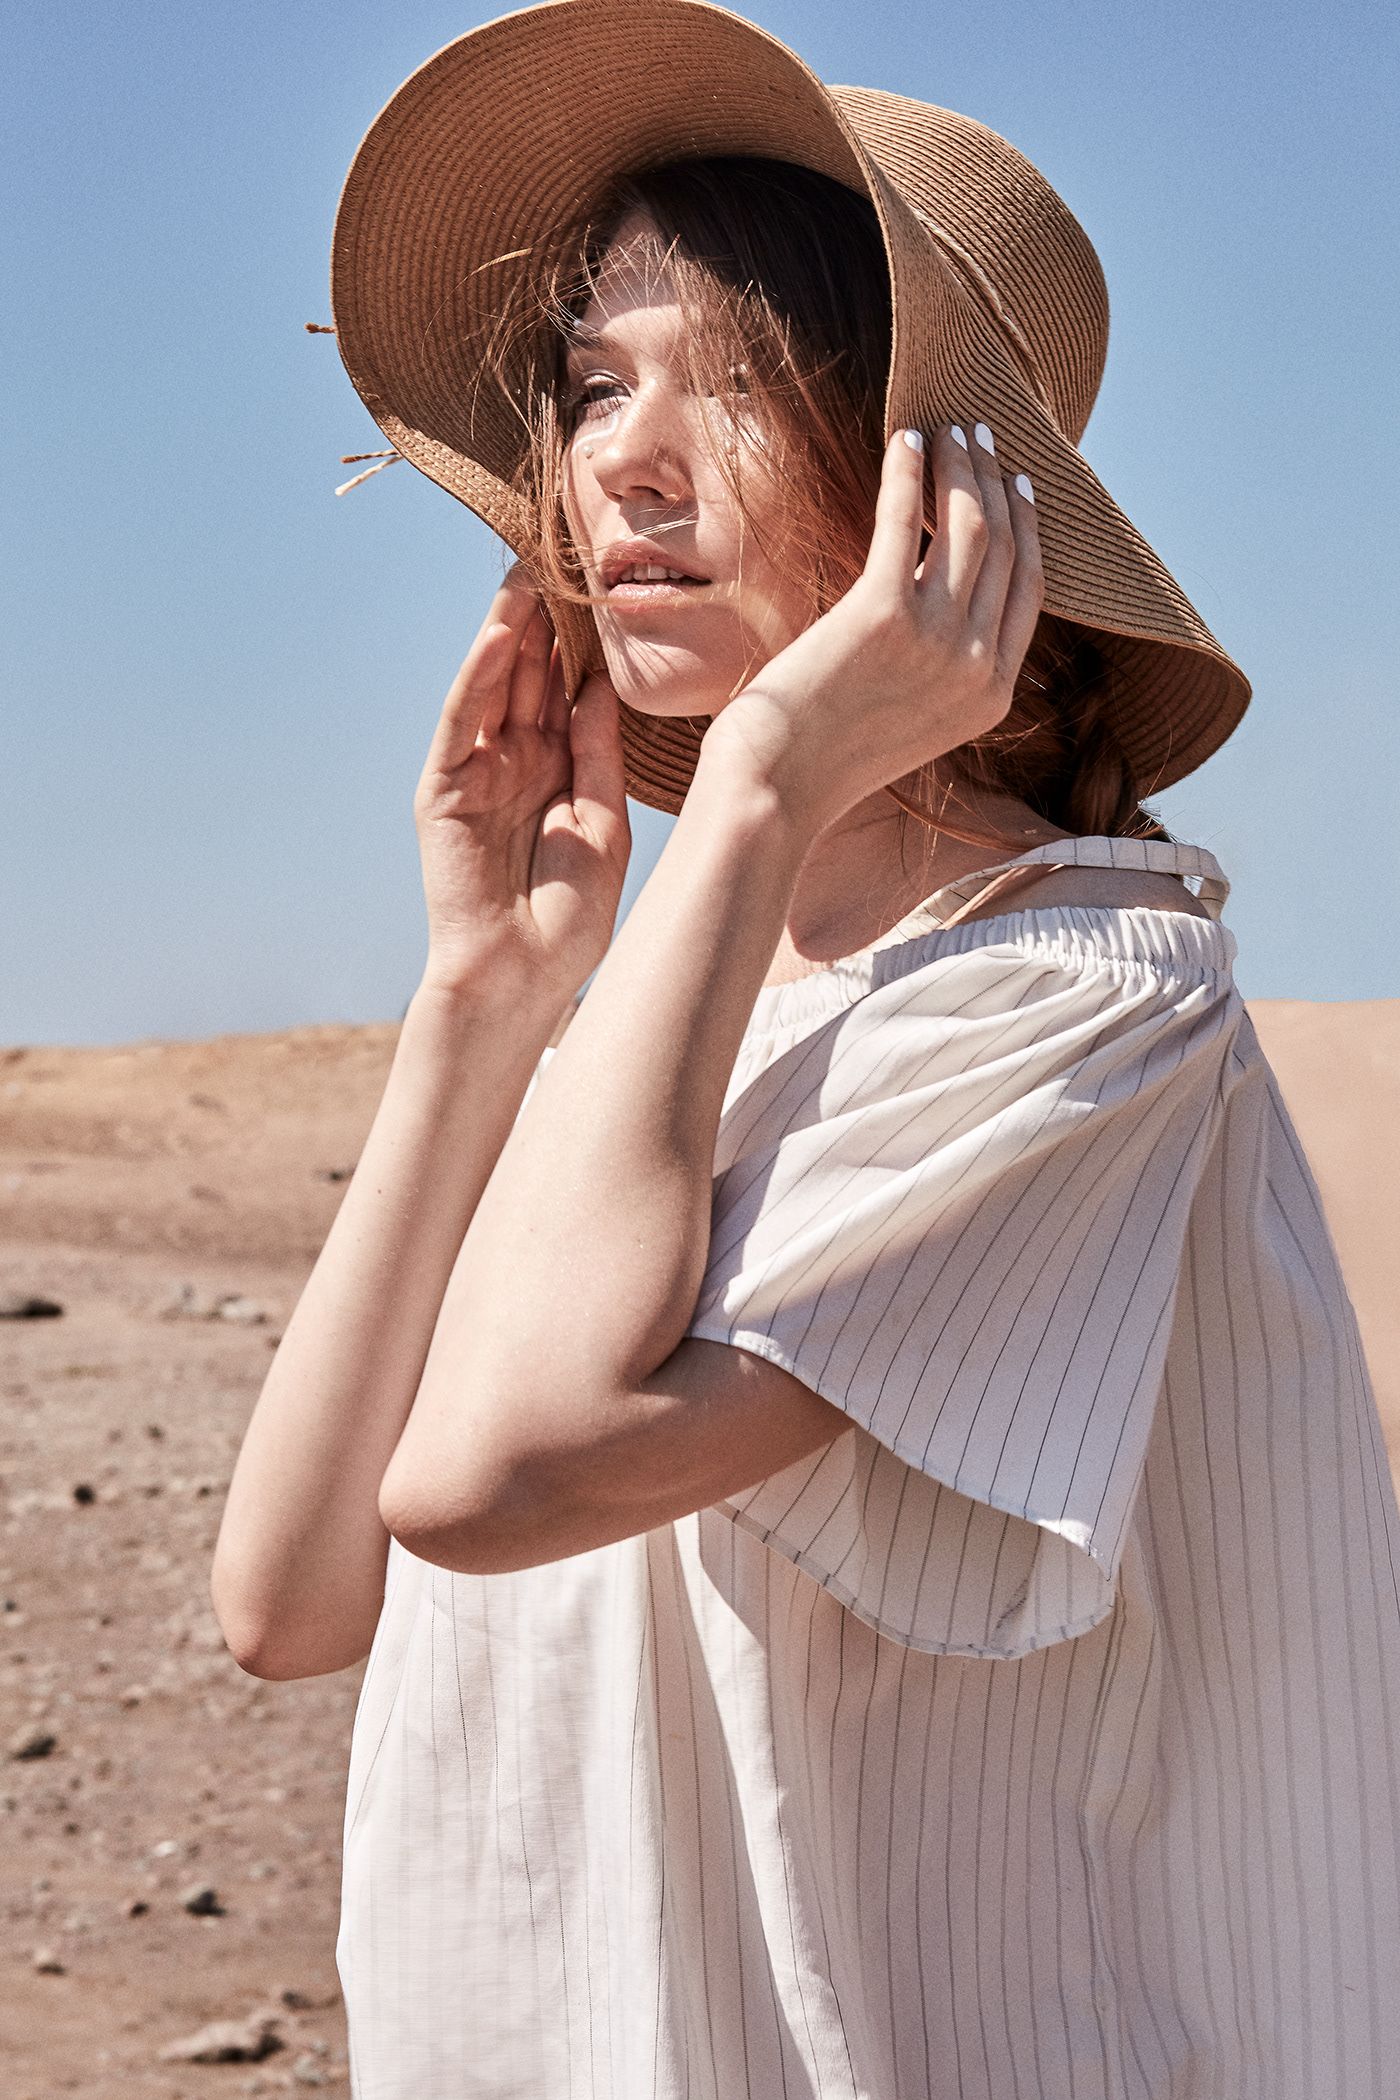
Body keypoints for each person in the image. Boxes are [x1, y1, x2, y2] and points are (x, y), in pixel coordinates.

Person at [212, 5, 1400, 2095]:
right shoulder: (669, 1019)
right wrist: (482, 1002)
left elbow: (492, 1475)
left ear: (956, 507)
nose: (621, 460)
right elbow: (293, 1599)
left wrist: (757, 779)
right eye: (595, 383)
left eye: (740, 382)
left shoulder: (1079, 1001)